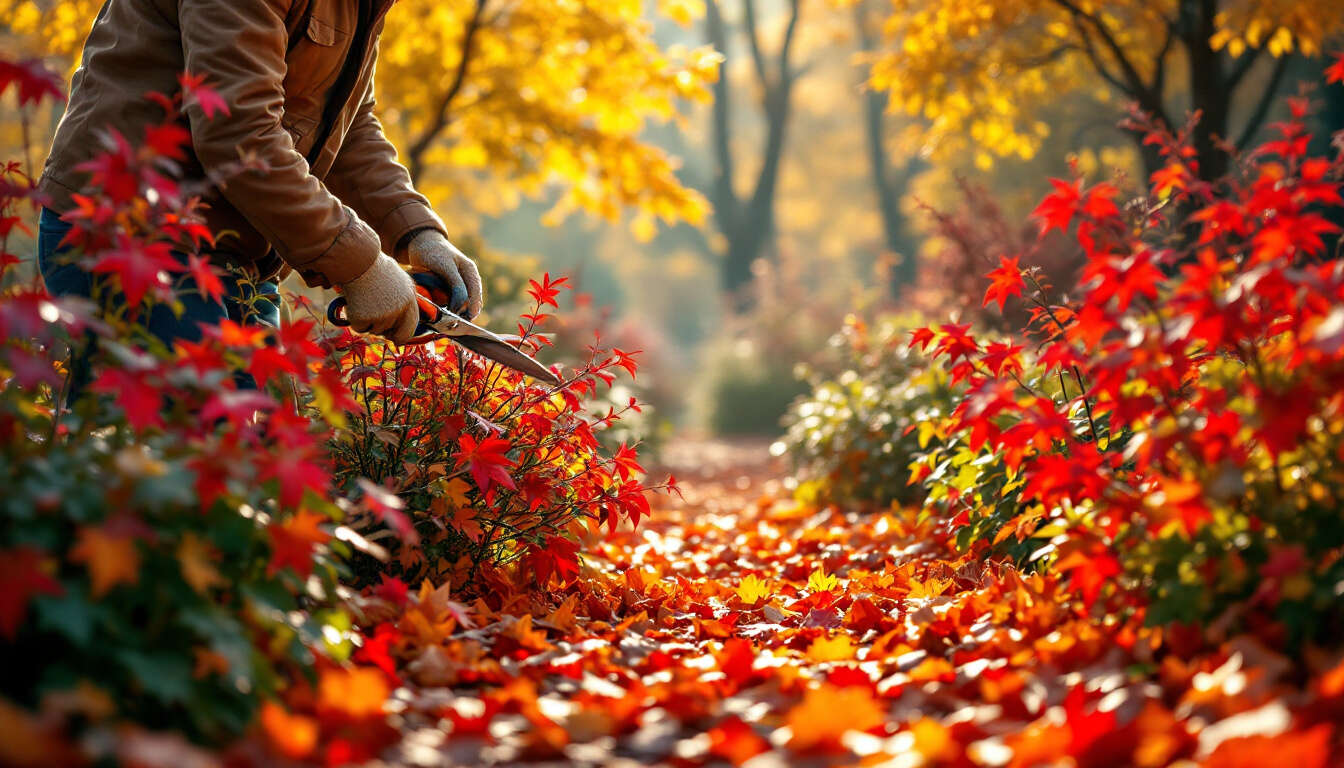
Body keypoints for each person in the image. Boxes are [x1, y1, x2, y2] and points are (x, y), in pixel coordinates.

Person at [36, 0, 482, 346]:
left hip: (232, 252)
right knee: (181, 455)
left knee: (266, 451)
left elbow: (345, 121)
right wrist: (361, 266)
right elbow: (239, 133)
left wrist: (416, 232)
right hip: (137, 236)